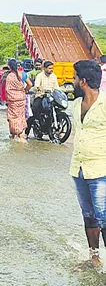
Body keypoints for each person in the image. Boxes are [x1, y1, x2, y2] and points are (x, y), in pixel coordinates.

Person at [69, 60, 106, 270]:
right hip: (79, 168)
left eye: (74, 77)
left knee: (104, 216)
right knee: (89, 215)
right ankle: (94, 257)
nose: (72, 81)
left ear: (83, 81)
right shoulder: (75, 104)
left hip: (101, 168)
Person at [4, 59, 31, 142]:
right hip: (21, 99)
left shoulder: (9, 76)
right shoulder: (22, 74)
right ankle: (19, 134)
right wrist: (25, 91)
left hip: (12, 100)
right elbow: (30, 84)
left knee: (12, 117)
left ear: (9, 66)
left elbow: (7, 89)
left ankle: (17, 135)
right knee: (20, 117)